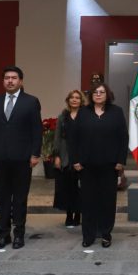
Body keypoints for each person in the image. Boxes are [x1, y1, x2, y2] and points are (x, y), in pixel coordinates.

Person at [0, 66, 43, 250]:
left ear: (20, 81)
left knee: (19, 198)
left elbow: (37, 130)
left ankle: (19, 234)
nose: (10, 81)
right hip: (0, 158)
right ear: (3, 81)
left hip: (23, 159)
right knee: (2, 198)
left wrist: (35, 154)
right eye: (7, 78)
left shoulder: (31, 102)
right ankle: (3, 235)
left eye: (14, 78)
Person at [70, 83, 128, 248]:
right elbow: (74, 139)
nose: (98, 94)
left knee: (107, 201)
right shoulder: (83, 112)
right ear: (91, 95)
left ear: (107, 94)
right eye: (95, 92)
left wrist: (120, 161)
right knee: (88, 201)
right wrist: (75, 160)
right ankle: (88, 235)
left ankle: (105, 233)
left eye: (102, 92)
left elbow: (123, 137)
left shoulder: (116, 112)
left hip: (110, 165)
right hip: (86, 165)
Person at [52, 90, 85, 228]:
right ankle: (69, 215)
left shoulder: (86, 116)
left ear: (81, 101)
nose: (74, 100)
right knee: (67, 187)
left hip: (81, 154)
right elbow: (57, 137)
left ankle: (78, 215)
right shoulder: (62, 117)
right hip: (65, 155)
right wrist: (57, 155)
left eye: (77, 98)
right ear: (68, 100)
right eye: (72, 98)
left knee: (79, 189)